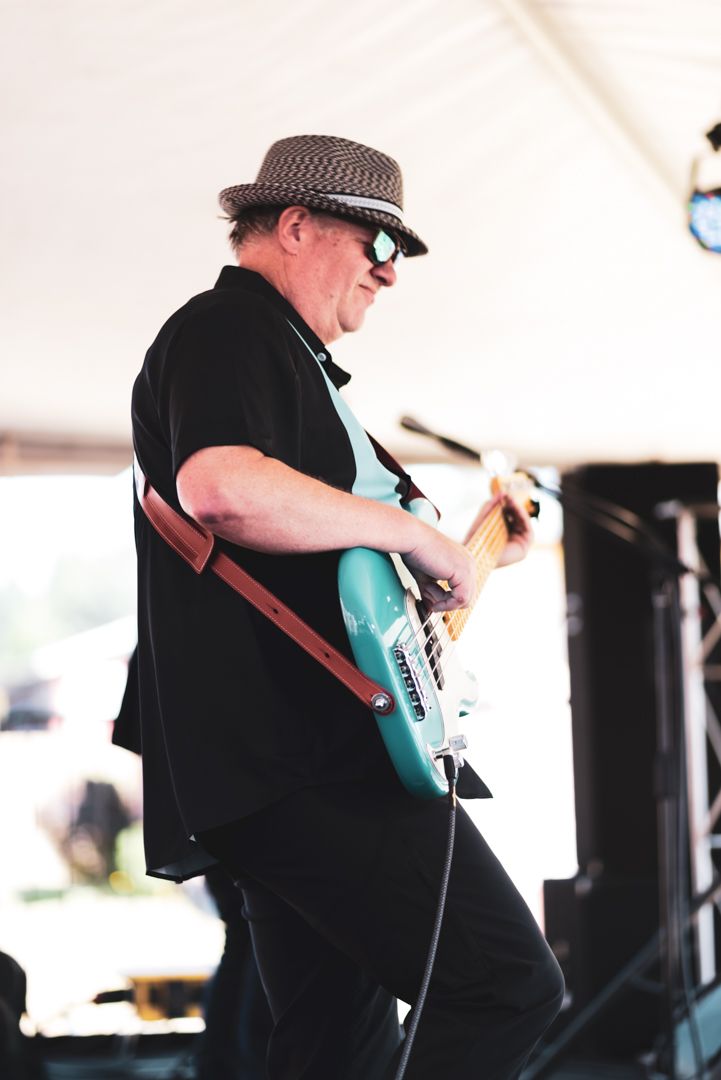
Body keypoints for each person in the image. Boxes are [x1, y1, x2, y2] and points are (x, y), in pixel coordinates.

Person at [120, 134, 564, 1079]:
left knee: (334, 1050)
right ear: (294, 225)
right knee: (505, 985)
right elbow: (220, 488)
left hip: (295, 756)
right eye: (380, 244)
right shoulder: (229, 328)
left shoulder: (291, 364)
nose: (389, 273)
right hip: (309, 757)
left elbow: (363, 602)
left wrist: (473, 552)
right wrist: (411, 533)